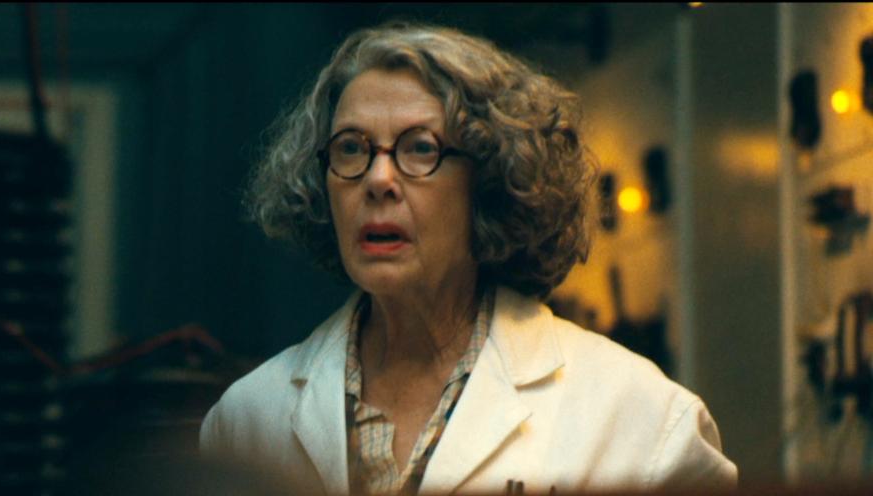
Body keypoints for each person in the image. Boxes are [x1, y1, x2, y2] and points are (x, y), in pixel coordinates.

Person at [199, 22, 737, 495]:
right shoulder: (249, 419)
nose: (378, 179)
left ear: (490, 184)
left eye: (420, 148)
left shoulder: (642, 419)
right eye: (351, 148)